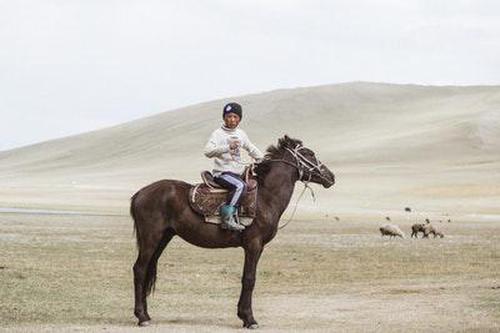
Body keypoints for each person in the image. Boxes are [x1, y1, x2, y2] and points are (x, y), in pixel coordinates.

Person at [204, 102, 264, 231]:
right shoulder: (218, 133)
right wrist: (227, 147)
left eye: (235, 117)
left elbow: (251, 148)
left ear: (239, 119)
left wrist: (262, 160)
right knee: (239, 186)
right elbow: (207, 151)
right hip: (222, 173)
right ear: (224, 118)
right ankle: (227, 219)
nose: (232, 119)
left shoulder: (241, 134)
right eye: (229, 116)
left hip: (237, 172)